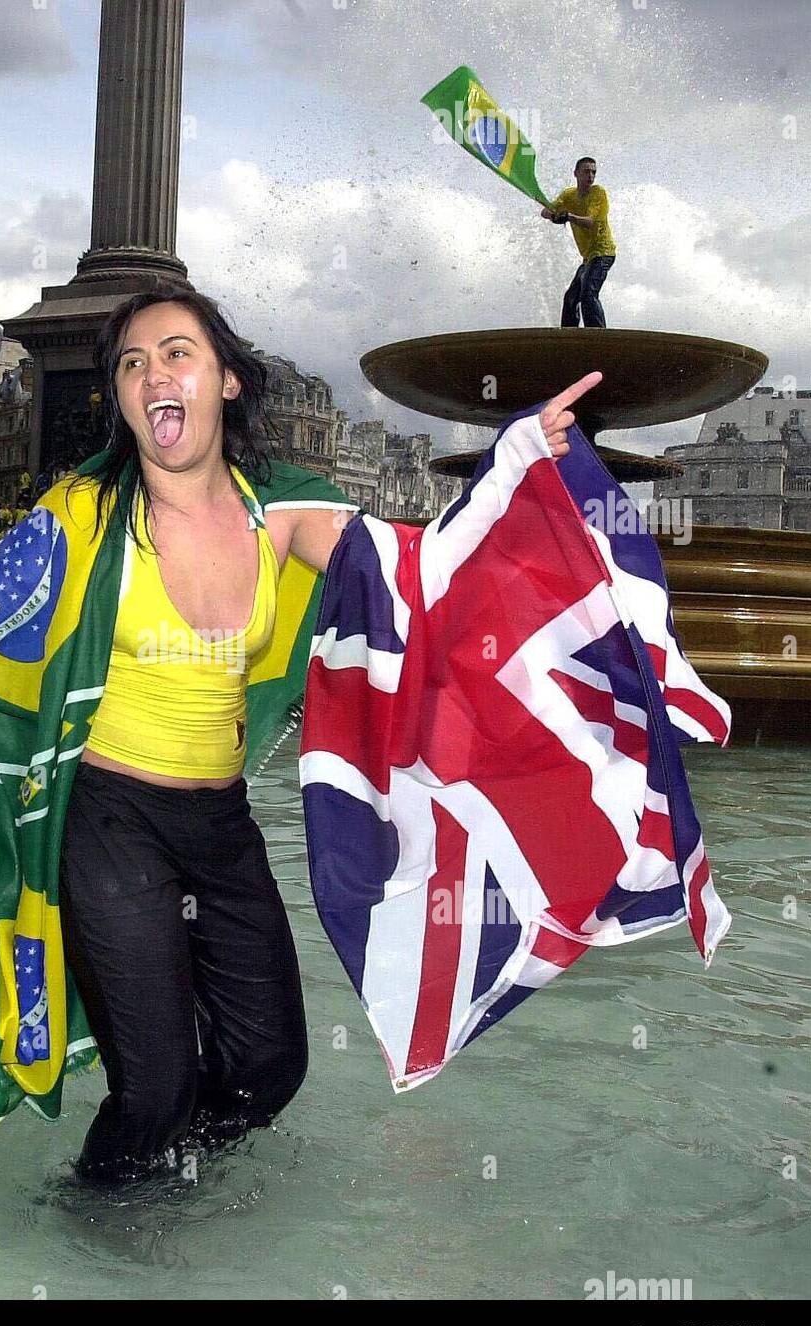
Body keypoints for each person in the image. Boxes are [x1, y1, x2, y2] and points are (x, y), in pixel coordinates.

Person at [52, 286, 596, 1183]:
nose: (154, 373)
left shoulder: (282, 517)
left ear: (225, 381)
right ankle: (89, 1227)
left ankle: (174, 1183)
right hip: (112, 820)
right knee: (152, 1089)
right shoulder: (81, 515)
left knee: (269, 1068)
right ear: (119, 396)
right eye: (131, 362)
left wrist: (519, 459)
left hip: (220, 829)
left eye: (176, 353)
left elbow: (425, 569)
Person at [542, 156, 616, 328]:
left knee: (588, 294)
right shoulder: (569, 195)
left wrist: (568, 216)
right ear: (576, 173)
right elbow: (545, 211)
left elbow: (590, 221)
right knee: (570, 298)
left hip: (603, 253)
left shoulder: (598, 193)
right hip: (588, 258)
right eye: (586, 172)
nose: (591, 176)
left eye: (593, 172)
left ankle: (597, 335)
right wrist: (554, 216)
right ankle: (569, 335)